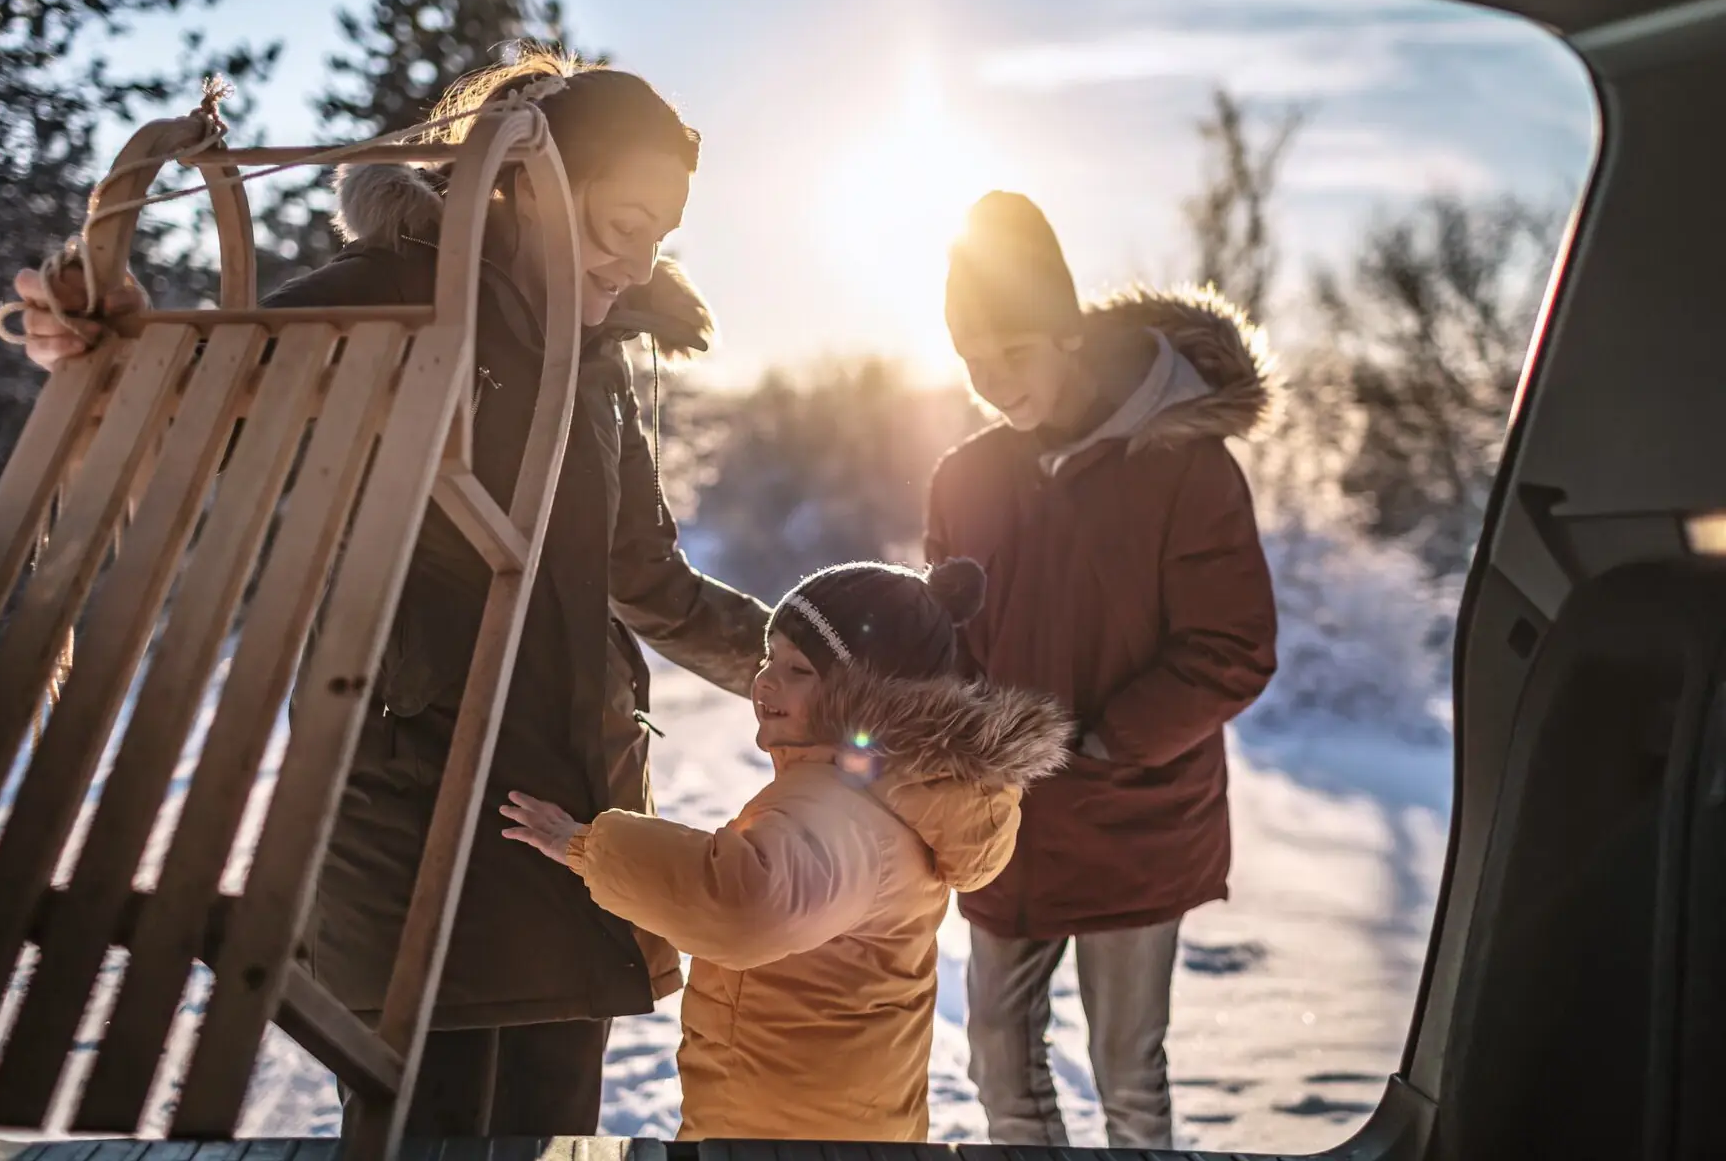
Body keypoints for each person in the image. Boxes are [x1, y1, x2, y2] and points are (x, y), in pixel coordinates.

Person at [7, 50, 770, 1140]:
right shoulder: (395, 295)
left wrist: (817, 669)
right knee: (430, 1129)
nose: (641, 258)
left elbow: (646, 576)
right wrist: (108, 347)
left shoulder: (592, 356)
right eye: (622, 221)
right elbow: (215, 391)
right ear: (526, 186)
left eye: (663, 233)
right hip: (420, 824)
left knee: (557, 1134)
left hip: (573, 817)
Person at [925, 192, 1279, 1149]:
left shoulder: (1185, 469)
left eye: (1015, 353)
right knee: (996, 1053)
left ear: (1070, 335)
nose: (995, 383)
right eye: (972, 361)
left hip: (1135, 818)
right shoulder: (965, 476)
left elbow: (1232, 649)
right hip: (1004, 825)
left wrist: (1105, 741)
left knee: (1127, 1074)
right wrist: (943, 739)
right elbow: (944, 637)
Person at [501, 559, 1073, 1143]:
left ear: (866, 695)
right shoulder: (902, 786)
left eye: (799, 669)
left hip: (776, 1130)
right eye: (770, 657)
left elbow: (743, 903)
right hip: (851, 1121)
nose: (766, 681)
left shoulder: (842, 808)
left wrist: (586, 843)